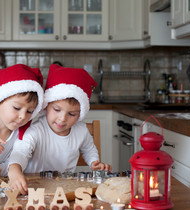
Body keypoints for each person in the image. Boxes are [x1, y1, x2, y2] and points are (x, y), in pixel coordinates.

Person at [8, 64, 112, 194]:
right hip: (34, 187)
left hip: (65, 187)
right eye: (57, 110)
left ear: (81, 113)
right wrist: (14, 170)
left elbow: (89, 149)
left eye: (72, 114)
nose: (62, 118)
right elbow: (21, 152)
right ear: (46, 106)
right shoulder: (36, 130)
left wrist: (94, 162)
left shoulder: (81, 130)